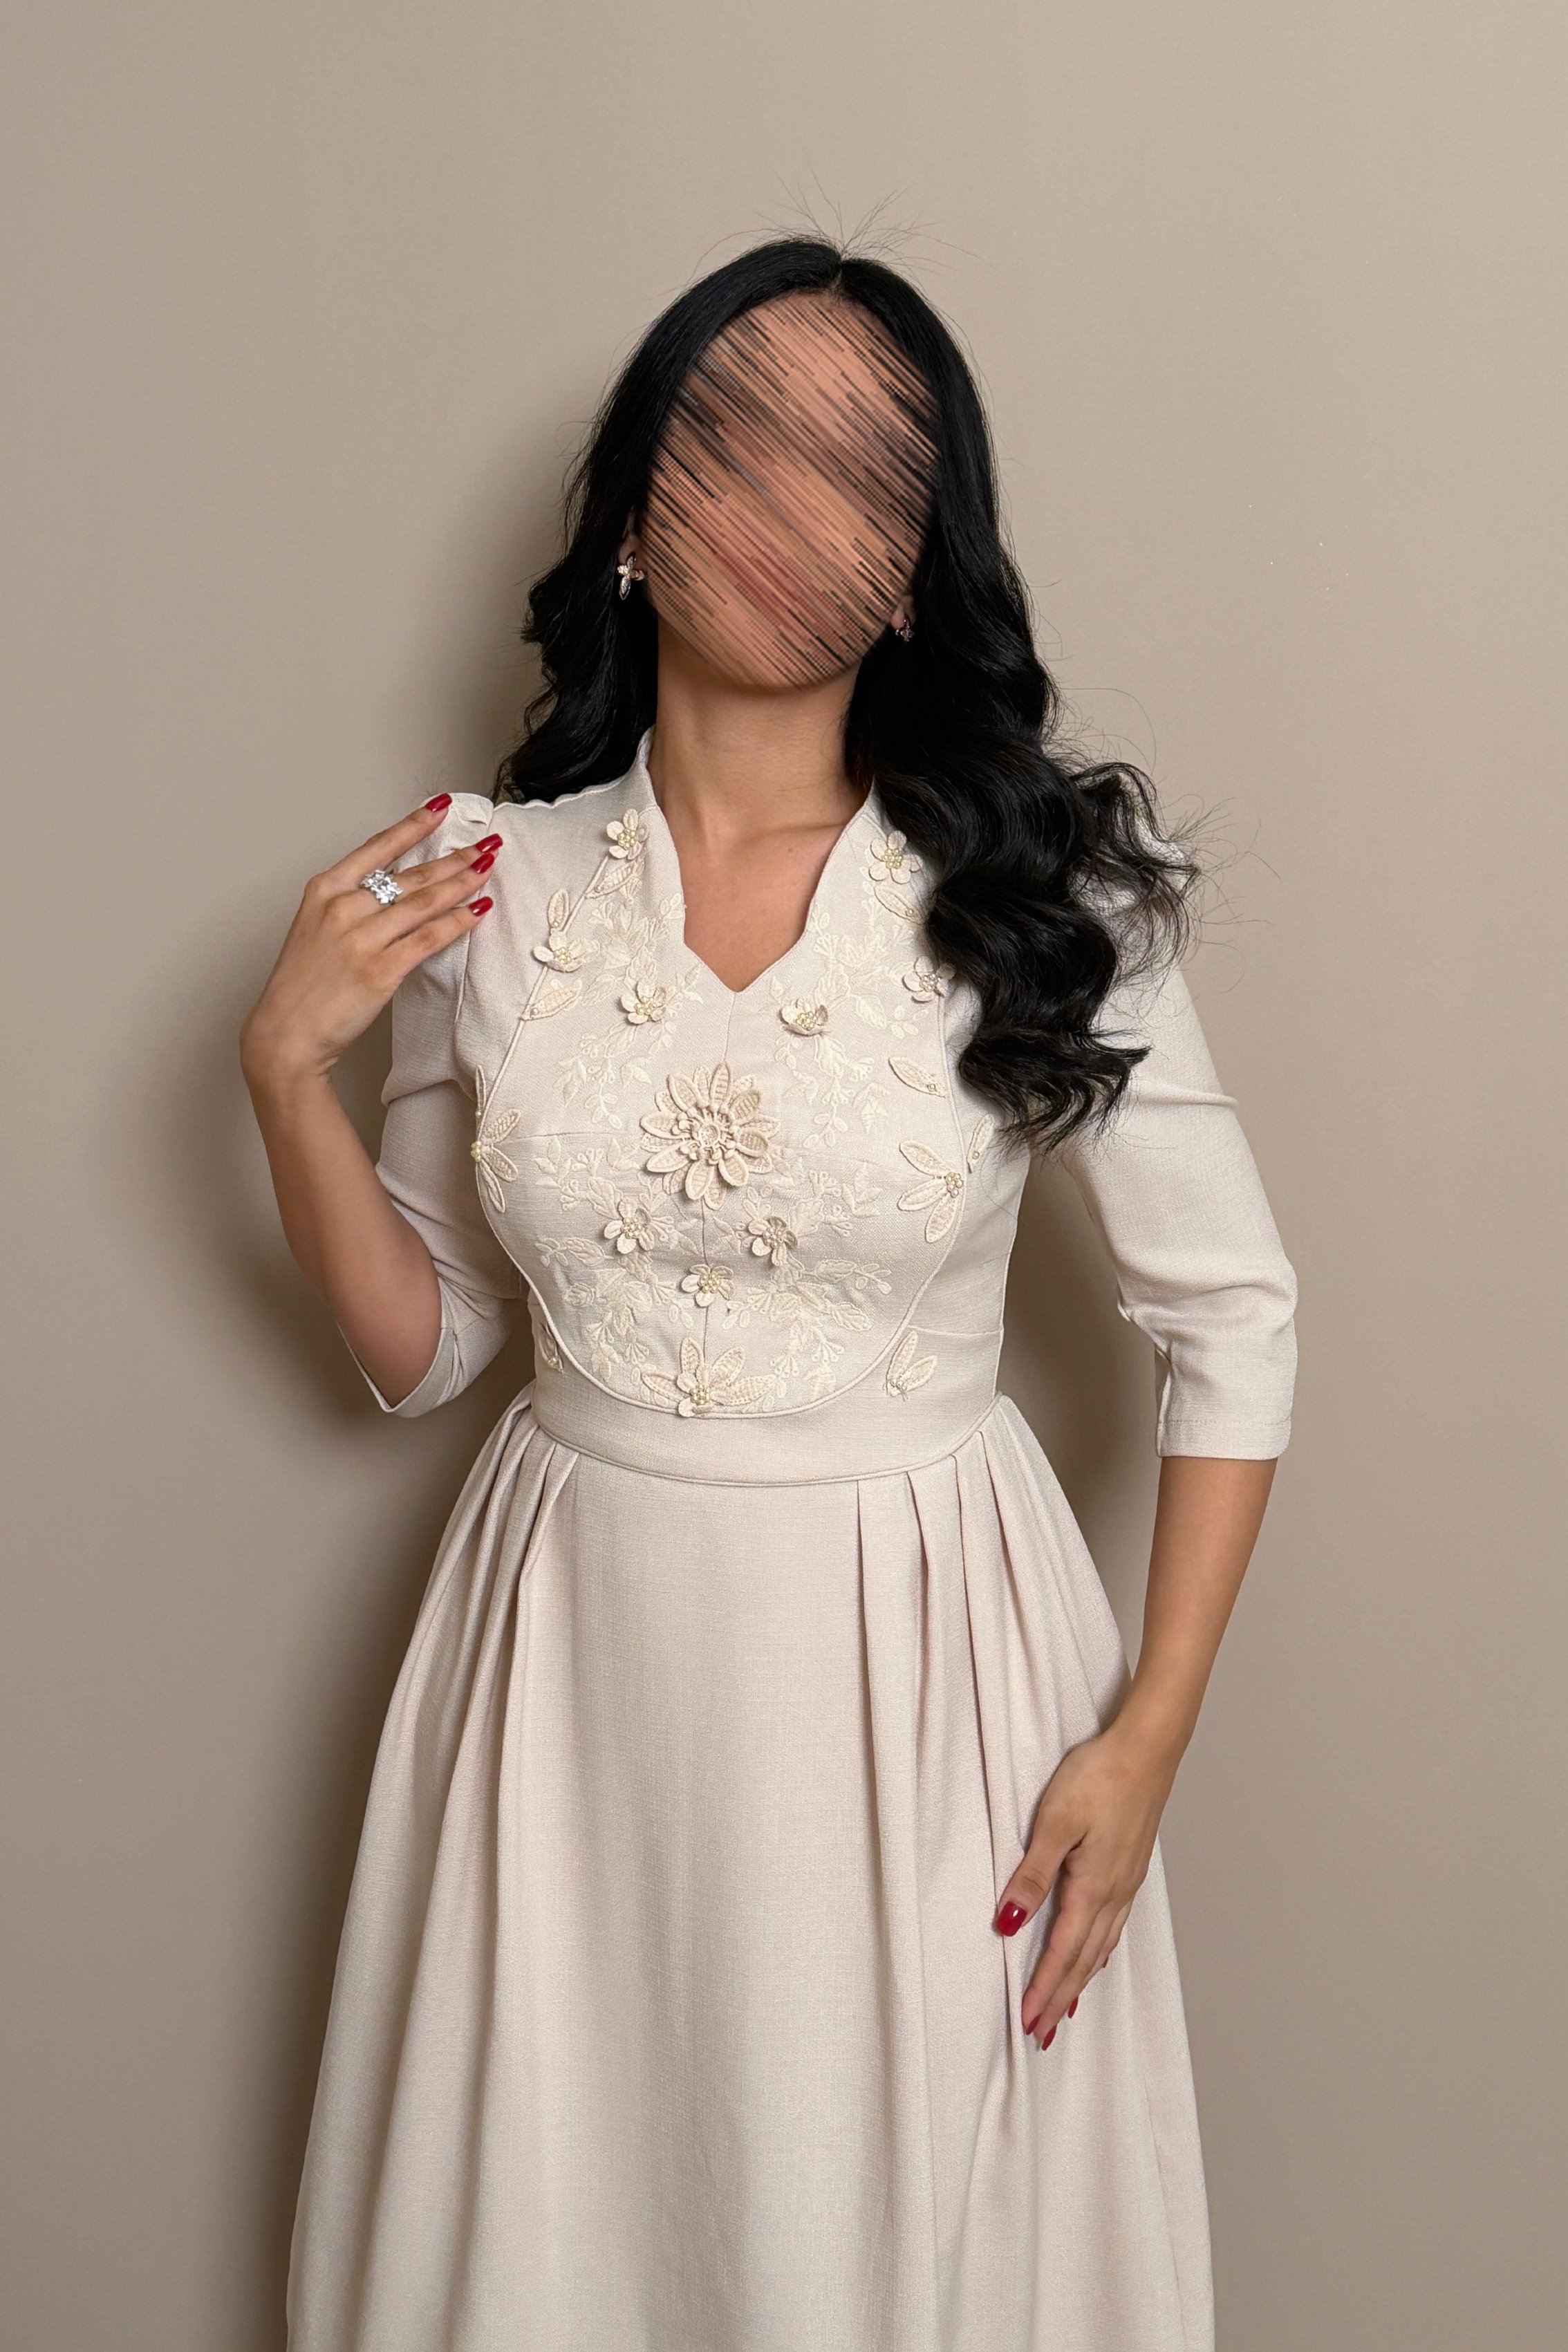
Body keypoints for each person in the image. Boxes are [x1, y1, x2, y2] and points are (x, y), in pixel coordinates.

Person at [241, 237, 1298, 2352]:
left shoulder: (1041, 897)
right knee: (566, 2226)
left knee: (875, 2235)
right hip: (568, 1670)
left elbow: (1232, 1319)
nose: (787, 510)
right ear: (637, 503)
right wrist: (283, 1073)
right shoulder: (487, 881)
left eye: (863, 473)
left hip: (923, 1673)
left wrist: (1149, 1734)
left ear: (916, 570)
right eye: (733, 441)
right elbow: (430, 1348)